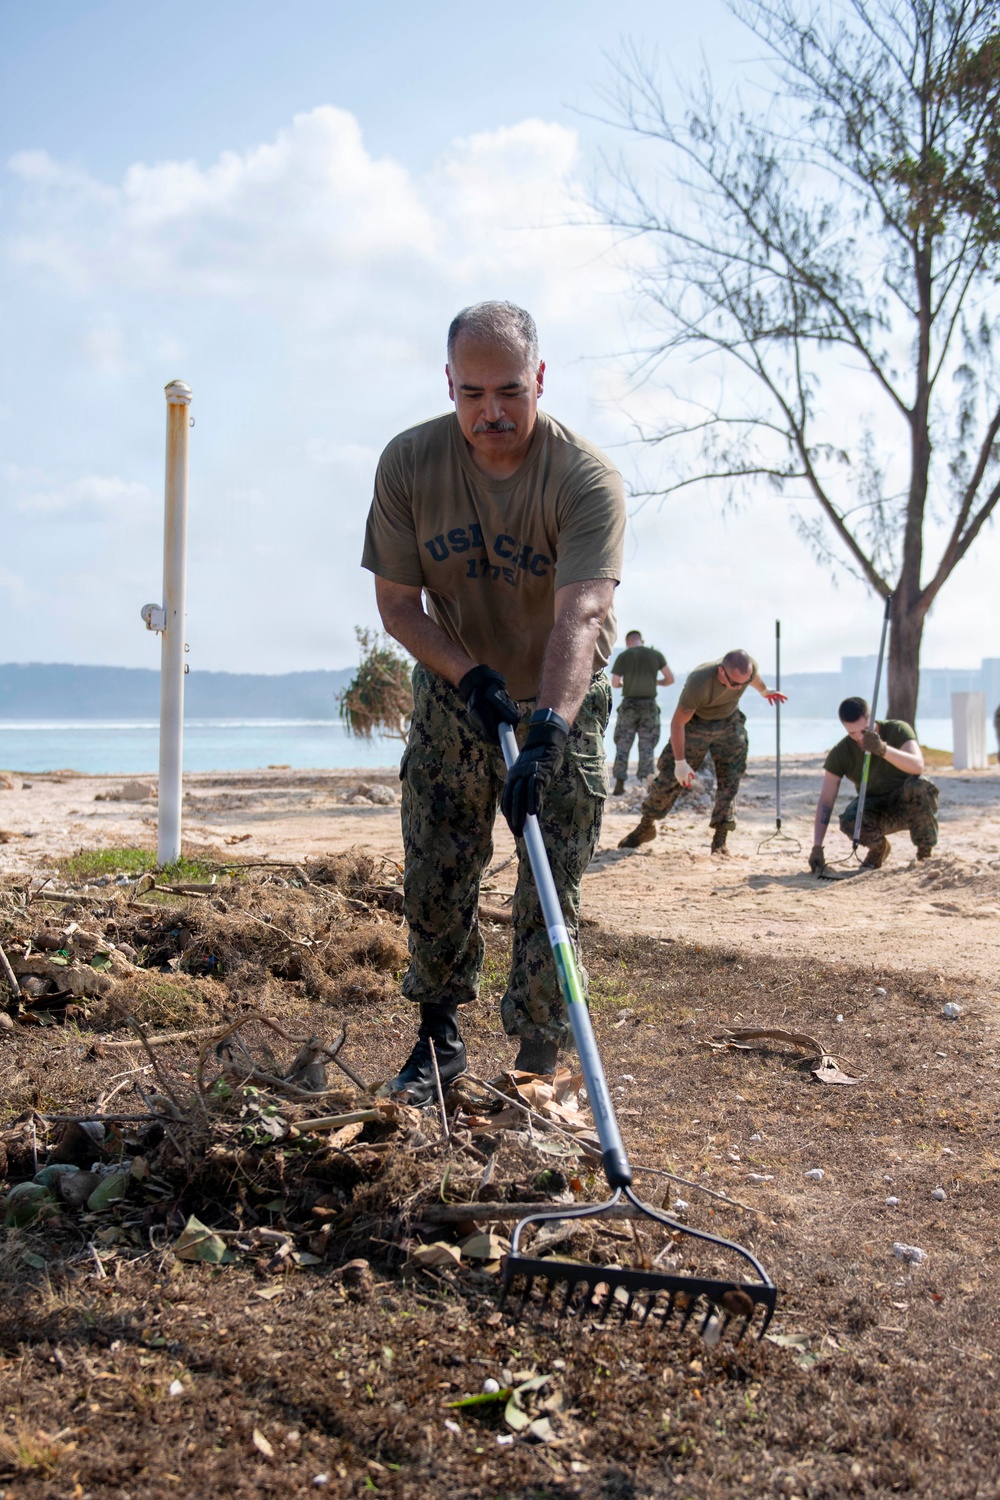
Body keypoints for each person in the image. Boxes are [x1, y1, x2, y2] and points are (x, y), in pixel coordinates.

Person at [361, 301, 625, 1103]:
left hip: (561, 693)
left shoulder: (584, 478)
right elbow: (398, 606)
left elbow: (582, 613)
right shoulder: (410, 464)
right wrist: (468, 676)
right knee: (438, 861)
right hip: (457, 684)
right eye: (472, 393)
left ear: (539, 378)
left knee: (549, 872)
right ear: (450, 384)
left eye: (510, 390)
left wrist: (548, 730)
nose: (492, 412)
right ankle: (437, 1040)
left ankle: (537, 1056)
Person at [618, 650, 786, 854]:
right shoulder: (699, 682)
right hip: (695, 724)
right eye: (734, 683)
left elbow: (754, 677)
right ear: (721, 672)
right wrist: (680, 764)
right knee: (669, 778)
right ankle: (646, 826)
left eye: (744, 683)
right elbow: (678, 723)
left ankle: (720, 839)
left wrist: (764, 691)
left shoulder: (747, 671)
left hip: (729, 722)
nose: (739, 688)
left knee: (730, 780)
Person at [808, 697, 938, 872]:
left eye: (864, 730)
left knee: (920, 785)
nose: (860, 738)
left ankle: (925, 854)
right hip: (876, 808)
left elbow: (917, 766)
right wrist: (817, 846)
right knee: (849, 820)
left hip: (908, 805)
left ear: (871, 718)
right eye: (852, 733)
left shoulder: (897, 729)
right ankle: (879, 849)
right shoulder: (841, 752)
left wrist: (883, 749)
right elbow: (826, 800)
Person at [610, 630, 674, 794]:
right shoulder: (655, 655)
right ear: (641, 640)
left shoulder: (623, 656)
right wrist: (655, 682)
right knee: (647, 746)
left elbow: (615, 683)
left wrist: (626, 684)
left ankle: (619, 783)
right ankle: (645, 783)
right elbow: (670, 679)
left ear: (628, 642)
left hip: (629, 706)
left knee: (623, 744)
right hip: (649, 706)